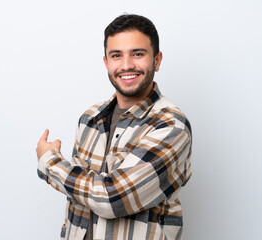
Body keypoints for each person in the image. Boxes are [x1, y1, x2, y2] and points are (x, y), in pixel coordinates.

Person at [36, 14, 192, 240]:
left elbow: (112, 199)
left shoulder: (171, 126)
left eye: (138, 54)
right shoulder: (90, 118)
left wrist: (50, 162)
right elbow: (78, 199)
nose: (127, 65)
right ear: (106, 62)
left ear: (157, 60)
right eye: (116, 55)